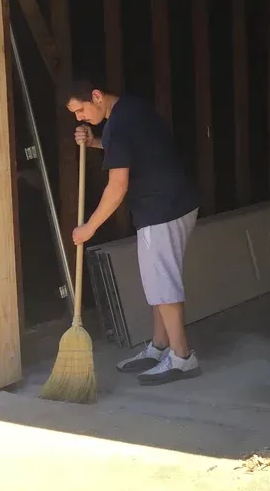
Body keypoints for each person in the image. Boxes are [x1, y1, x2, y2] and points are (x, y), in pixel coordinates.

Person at [61, 80, 201, 385]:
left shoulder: (118, 126)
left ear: (96, 96)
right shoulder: (131, 110)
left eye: (81, 110)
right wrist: (94, 141)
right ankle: (159, 347)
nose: (79, 118)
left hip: (160, 210)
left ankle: (182, 357)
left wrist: (89, 228)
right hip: (178, 202)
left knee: (163, 284)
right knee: (158, 281)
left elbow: (117, 188)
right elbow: (126, 148)